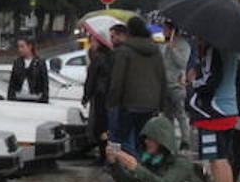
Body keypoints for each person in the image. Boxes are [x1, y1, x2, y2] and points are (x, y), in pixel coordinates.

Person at [187, 38, 240, 182]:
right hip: (229, 109)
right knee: (224, 159)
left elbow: (211, 80)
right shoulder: (231, 48)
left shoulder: (213, 49)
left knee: (216, 160)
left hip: (212, 113)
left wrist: (193, 81)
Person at [106, 16, 167, 154]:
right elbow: (162, 78)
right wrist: (162, 104)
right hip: (151, 104)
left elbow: (118, 80)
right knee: (145, 140)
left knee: (124, 139)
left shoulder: (124, 51)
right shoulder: (155, 50)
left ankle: (130, 169)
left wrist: (112, 102)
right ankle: (144, 169)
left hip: (129, 103)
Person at [82, 41, 113, 163]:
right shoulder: (112, 57)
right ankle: (108, 156)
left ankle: (103, 156)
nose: (91, 44)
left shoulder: (98, 58)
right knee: (107, 128)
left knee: (99, 127)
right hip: (110, 97)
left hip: (100, 96)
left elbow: (91, 79)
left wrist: (86, 96)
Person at [161, 27, 192, 152]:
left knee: (180, 113)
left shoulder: (183, 44)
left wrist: (173, 49)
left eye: (166, 28)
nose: (163, 31)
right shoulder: (164, 43)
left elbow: (182, 63)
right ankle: (169, 141)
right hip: (164, 84)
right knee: (167, 115)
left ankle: (186, 140)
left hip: (177, 85)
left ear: (172, 29)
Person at [7, 36, 48, 103]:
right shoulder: (17, 62)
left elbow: (44, 84)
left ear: (29, 47)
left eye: (22, 46)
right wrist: (10, 98)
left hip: (36, 99)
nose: (20, 49)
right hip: (18, 99)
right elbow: (12, 83)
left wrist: (44, 99)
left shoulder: (40, 62)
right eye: (18, 47)